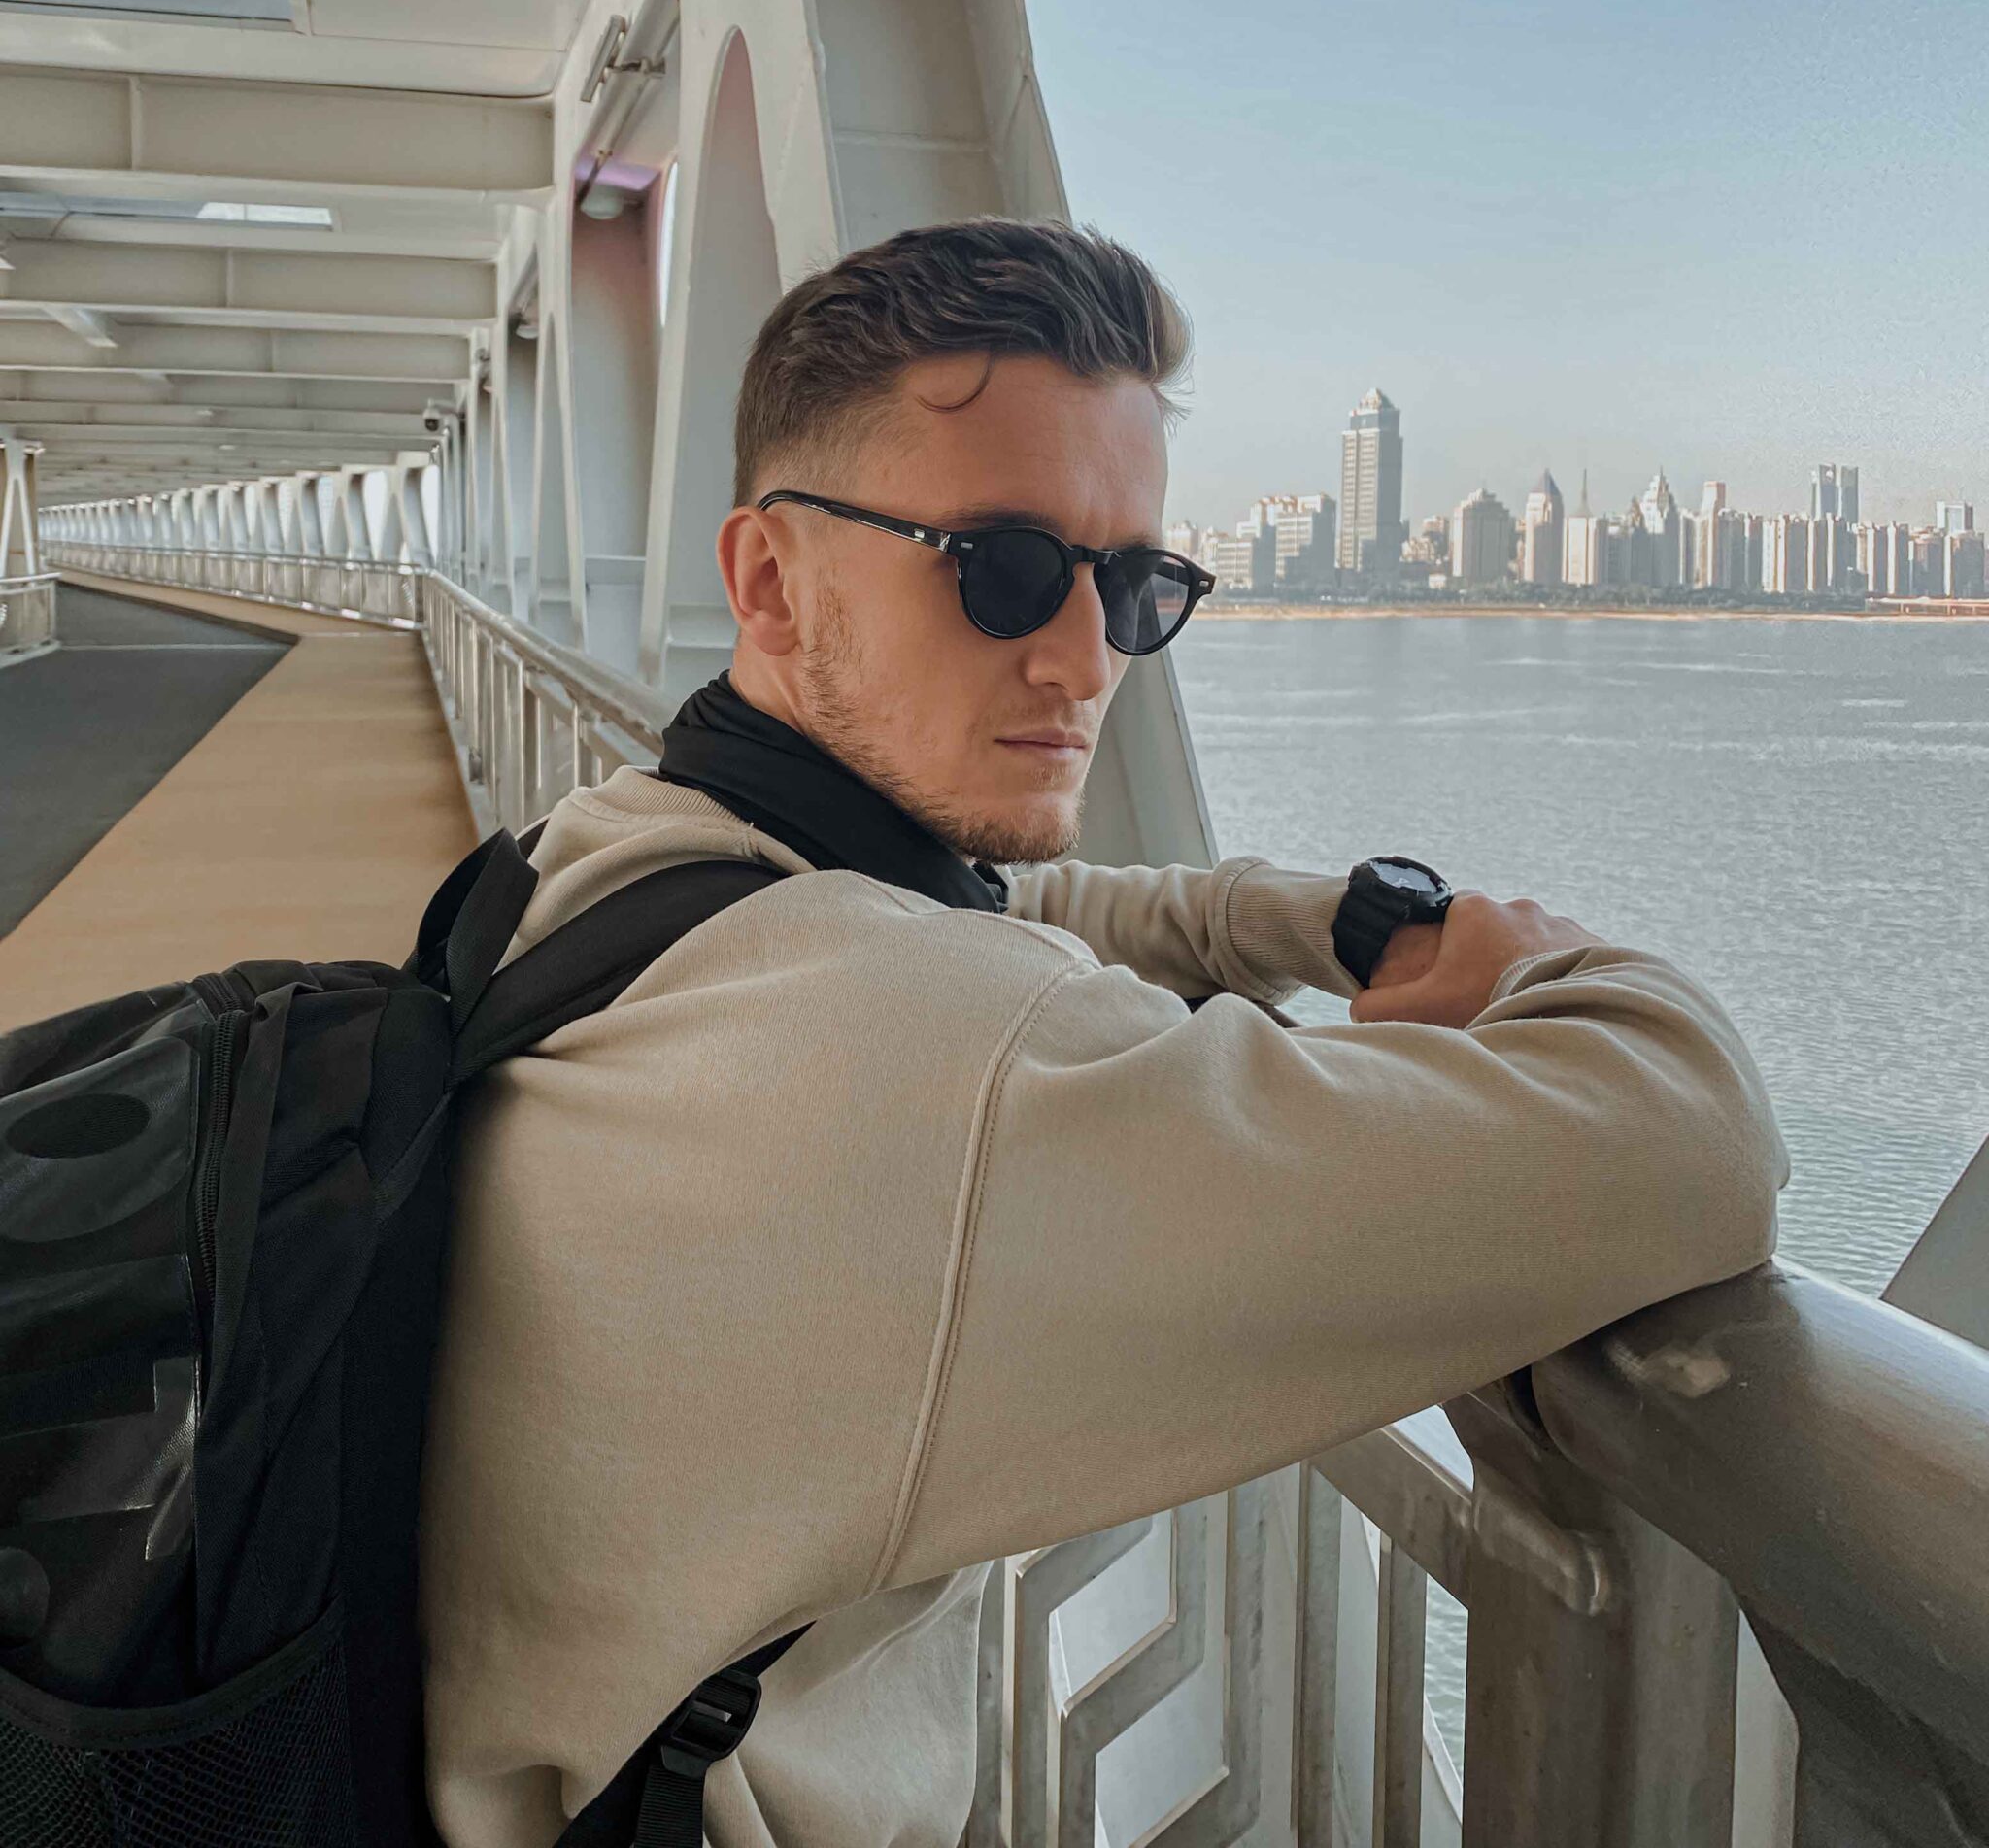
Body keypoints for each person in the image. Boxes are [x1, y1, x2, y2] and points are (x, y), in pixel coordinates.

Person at [420, 218, 1783, 1848]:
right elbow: (1680, 1137)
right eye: (997, 569)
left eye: (1137, 586)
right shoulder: (907, 1067)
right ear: (770, 580)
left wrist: (1308, 921)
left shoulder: (610, 861)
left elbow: (1004, 919)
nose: (1079, 659)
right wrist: (1541, 967)